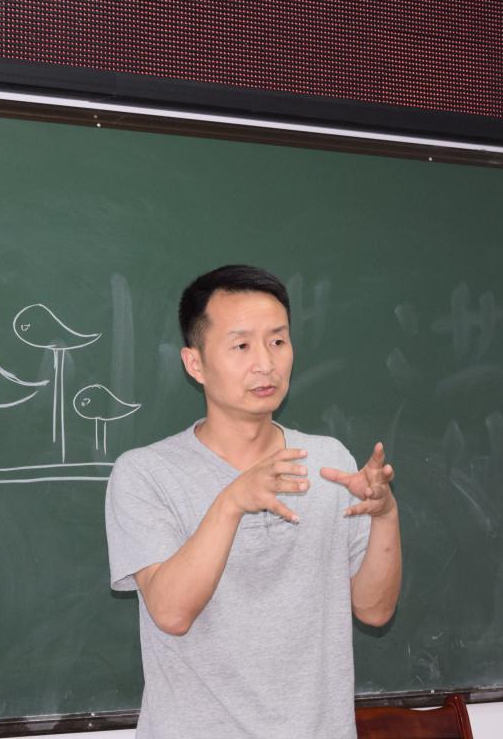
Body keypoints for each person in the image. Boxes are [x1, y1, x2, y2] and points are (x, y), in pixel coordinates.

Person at [105, 264, 402, 739]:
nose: (265, 363)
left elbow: (375, 610)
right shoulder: (146, 473)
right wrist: (232, 501)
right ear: (195, 363)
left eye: (278, 341)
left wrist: (385, 515)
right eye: (241, 346)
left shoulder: (329, 462)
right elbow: (172, 613)